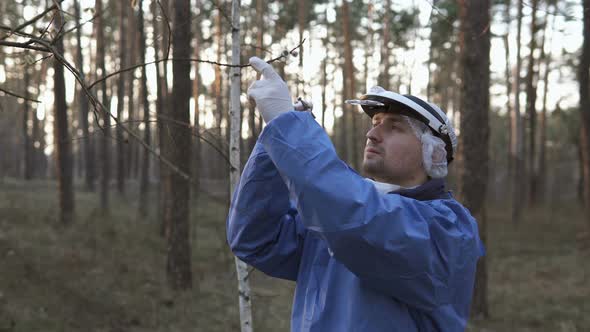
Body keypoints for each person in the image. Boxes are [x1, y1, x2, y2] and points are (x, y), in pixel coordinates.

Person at [226, 56, 485, 331]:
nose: (372, 134)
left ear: (432, 153)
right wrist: (274, 141)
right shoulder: (332, 219)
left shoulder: (450, 228)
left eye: (394, 126)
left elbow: (363, 220)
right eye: (375, 122)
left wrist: (289, 130)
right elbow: (255, 239)